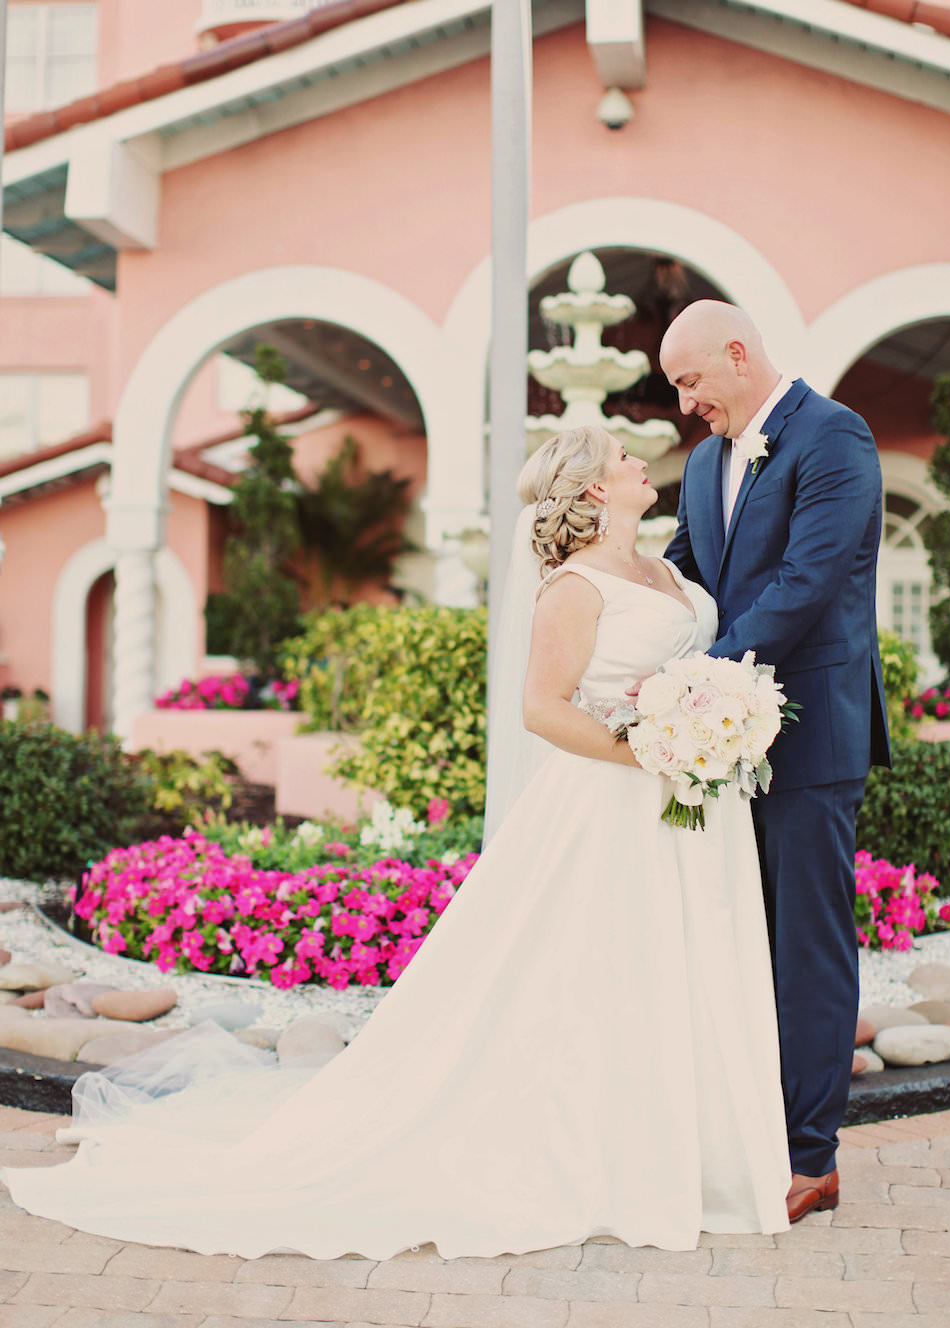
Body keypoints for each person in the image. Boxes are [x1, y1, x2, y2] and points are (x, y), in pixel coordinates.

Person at [3, 425, 790, 1259]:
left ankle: (685, 1152)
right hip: (613, 802)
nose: (642, 462)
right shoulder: (574, 587)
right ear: (596, 489)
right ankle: (603, 1156)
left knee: (672, 967)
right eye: (626, 458)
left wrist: (712, 720)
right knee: (597, 974)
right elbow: (544, 707)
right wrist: (653, 747)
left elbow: (691, 664)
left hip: (691, 806)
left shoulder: (666, 569)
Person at [660, 300, 890, 1224]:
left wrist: (694, 682)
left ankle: (812, 1158)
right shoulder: (707, 461)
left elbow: (808, 580)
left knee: (807, 945)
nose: (686, 406)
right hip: (723, 743)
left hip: (810, 735)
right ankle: (754, 1130)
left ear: (738, 354)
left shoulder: (835, 437)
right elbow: (683, 573)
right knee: (737, 940)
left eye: (690, 382)